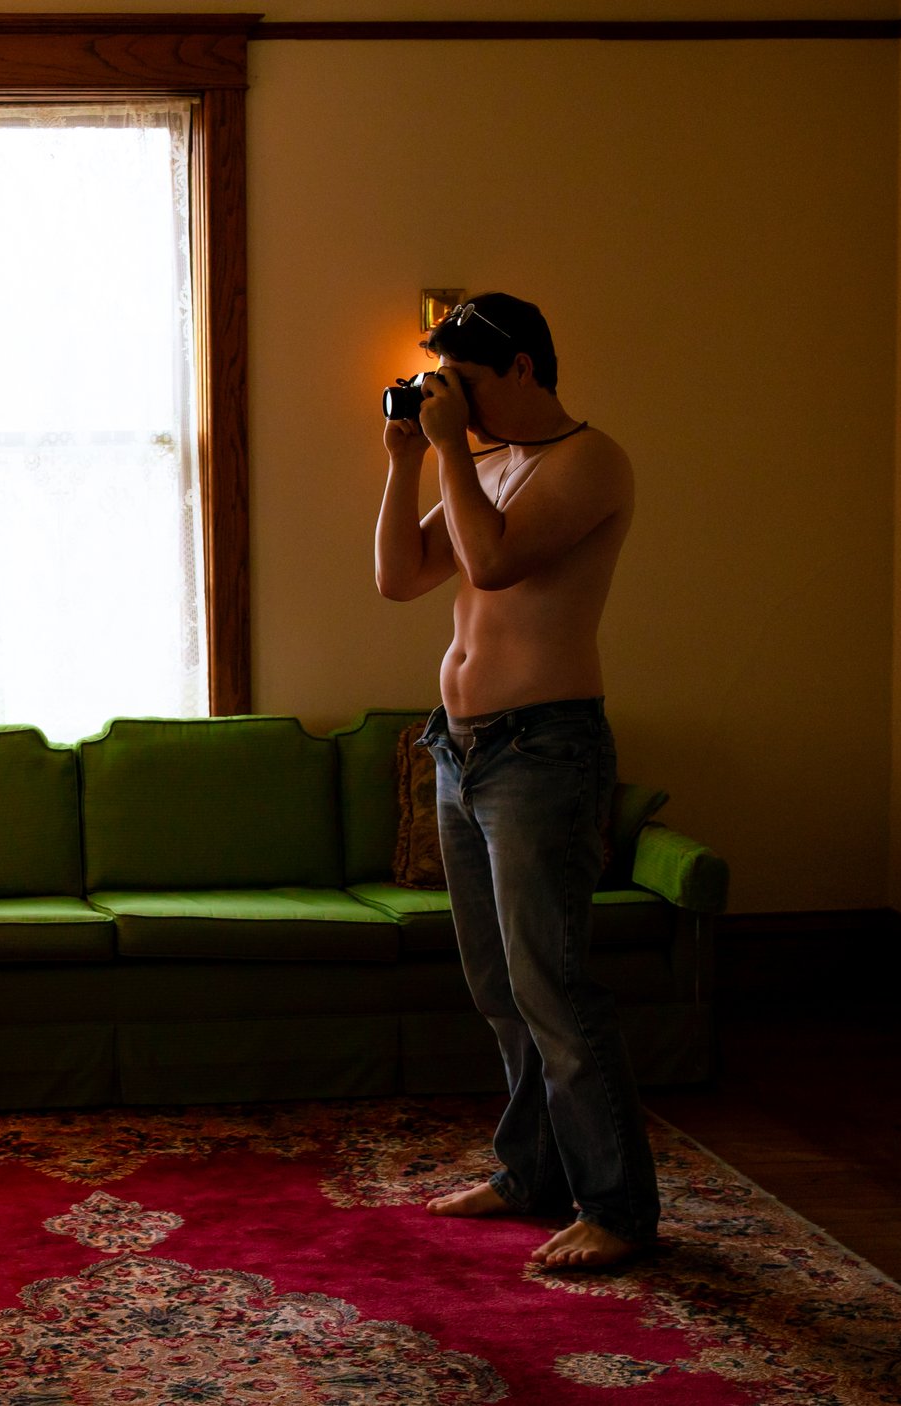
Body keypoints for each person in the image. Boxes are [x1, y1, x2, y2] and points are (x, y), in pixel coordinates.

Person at [372, 293, 654, 1269]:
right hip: (460, 749)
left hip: (543, 749)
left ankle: (617, 1207)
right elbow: (399, 575)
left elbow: (489, 565)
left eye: (471, 380)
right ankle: (530, 1173)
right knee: (498, 987)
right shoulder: (477, 461)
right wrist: (409, 458)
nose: (458, 400)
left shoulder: (589, 461)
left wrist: (448, 452)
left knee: (554, 987)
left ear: (526, 368)